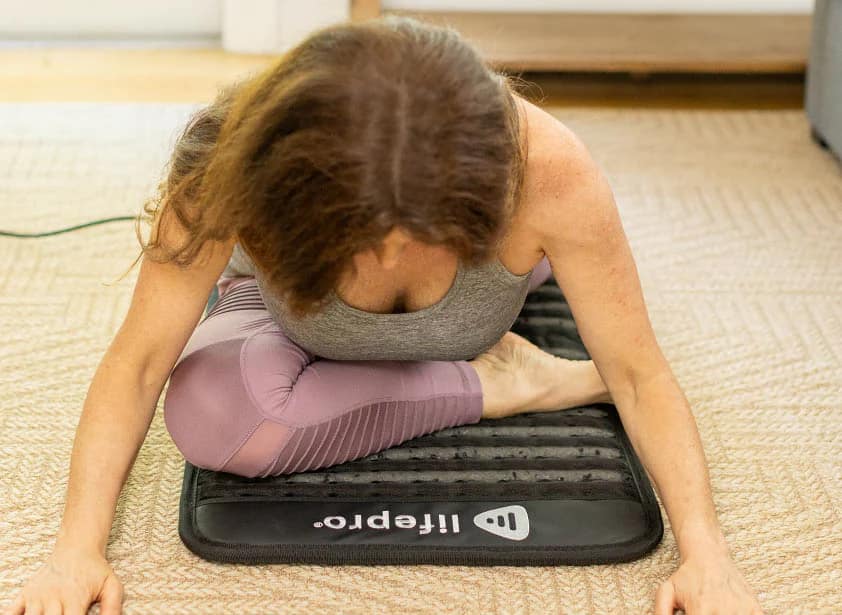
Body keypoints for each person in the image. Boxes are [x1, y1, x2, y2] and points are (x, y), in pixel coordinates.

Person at [6, 15, 762, 615]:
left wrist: (707, 552)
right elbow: (138, 363)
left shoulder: (547, 169)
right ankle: (502, 382)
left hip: (511, 274)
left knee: (577, 266)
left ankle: (513, 342)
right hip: (278, 322)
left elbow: (638, 372)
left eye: (418, 237)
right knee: (210, 412)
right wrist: (76, 547)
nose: (396, 253)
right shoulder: (227, 169)